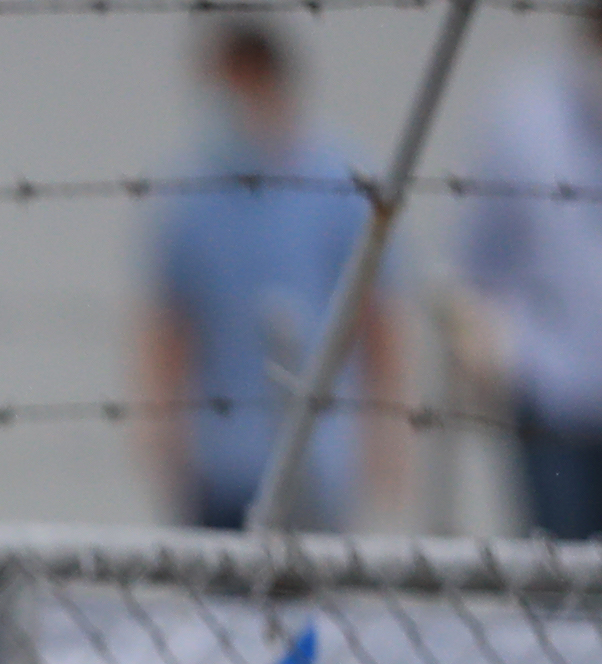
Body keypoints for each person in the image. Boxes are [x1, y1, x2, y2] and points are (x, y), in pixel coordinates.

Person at [146, 15, 409, 530]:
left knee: (310, 602)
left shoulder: (341, 180)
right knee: (219, 605)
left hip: (321, 457)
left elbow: (379, 318)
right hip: (218, 460)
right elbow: (169, 323)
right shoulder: (192, 191)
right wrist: (164, 436)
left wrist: (388, 434)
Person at [457, 1, 602, 539]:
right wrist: (494, 351)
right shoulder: (523, 118)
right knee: (558, 583)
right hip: (551, 397)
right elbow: (481, 261)